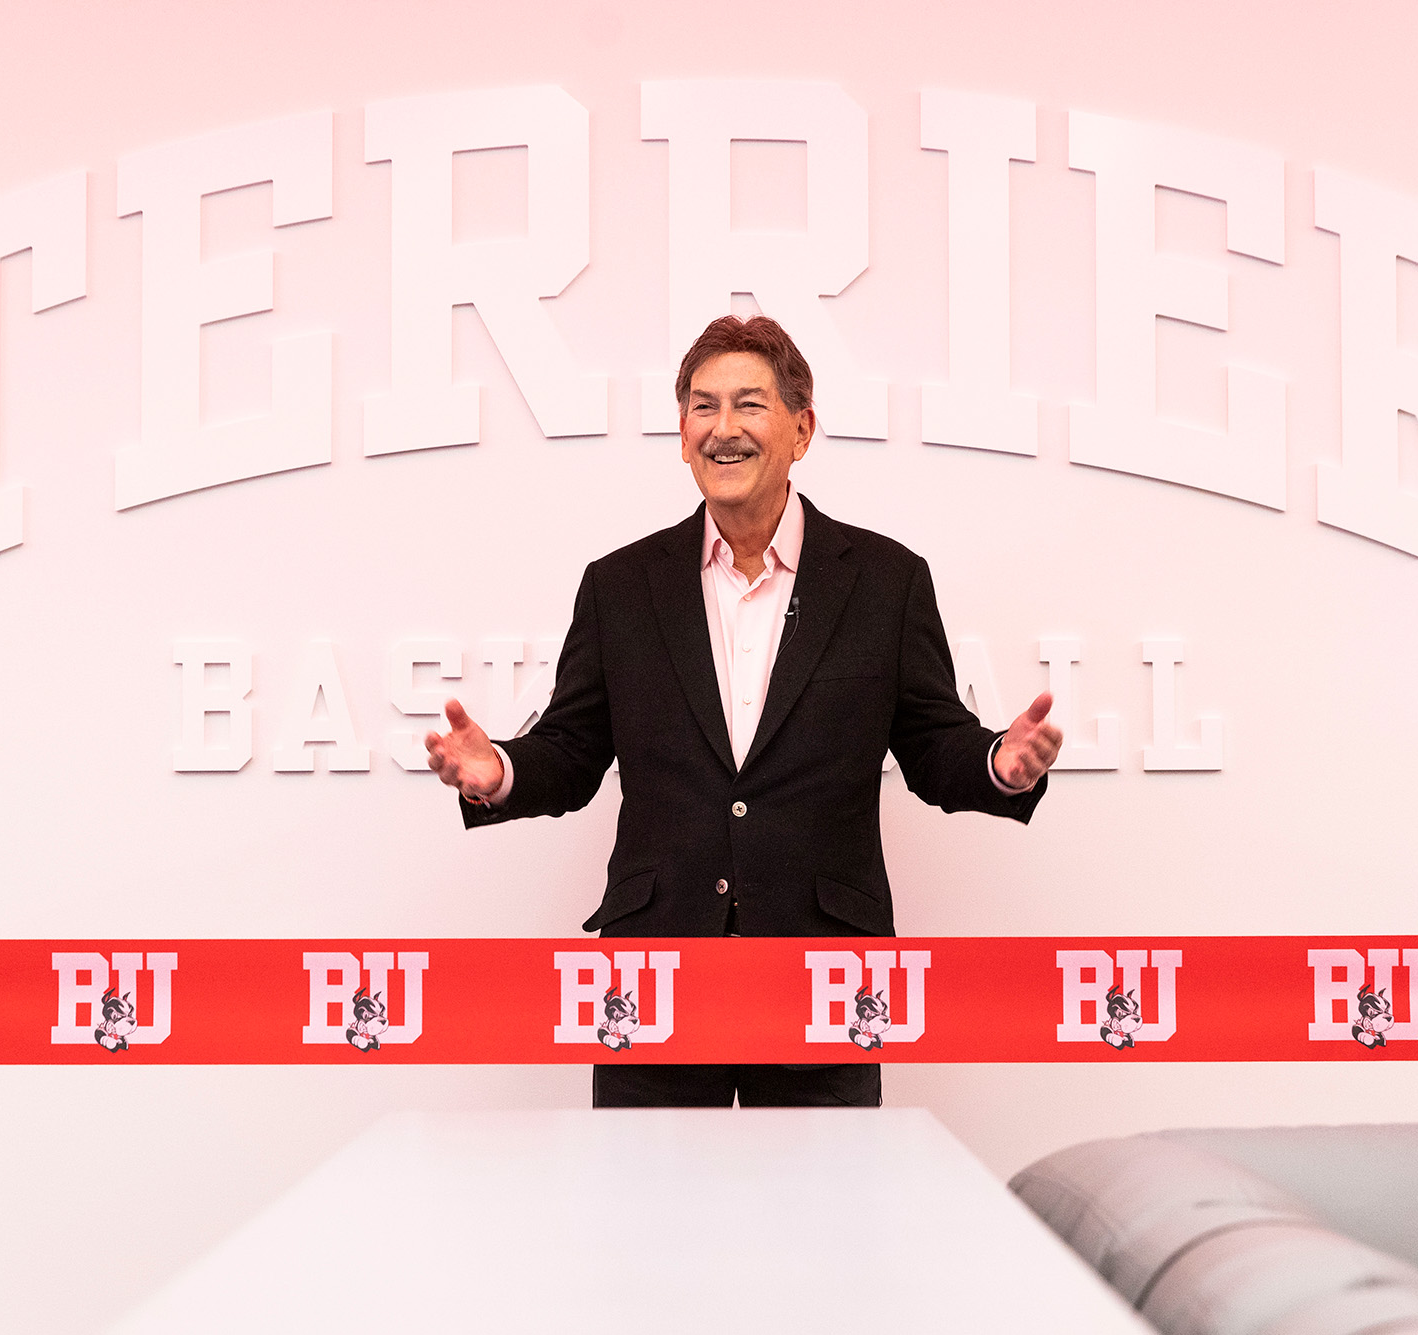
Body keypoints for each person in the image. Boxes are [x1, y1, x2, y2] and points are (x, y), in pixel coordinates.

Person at [424, 315, 1064, 1107]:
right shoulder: (620, 586)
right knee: (647, 1218)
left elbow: (936, 747)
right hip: (652, 979)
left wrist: (1001, 764)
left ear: (801, 429)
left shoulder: (885, 582)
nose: (723, 428)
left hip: (827, 976)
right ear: (684, 434)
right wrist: (501, 771)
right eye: (702, 406)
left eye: (749, 405)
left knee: (819, 1222)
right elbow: (572, 751)